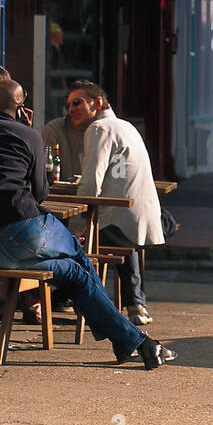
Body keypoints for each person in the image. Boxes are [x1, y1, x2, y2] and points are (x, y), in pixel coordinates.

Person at [0, 77, 176, 368]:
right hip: (24, 230)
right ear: (22, 108)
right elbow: (39, 193)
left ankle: (129, 340)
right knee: (77, 256)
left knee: (76, 270)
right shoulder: (29, 136)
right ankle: (130, 339)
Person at [66, 80, 165, 328]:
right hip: (140, 220)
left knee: (63, 238)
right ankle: (135, 303)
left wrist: (75, 228)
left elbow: (90, 185)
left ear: (97, 103)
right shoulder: (125, 126)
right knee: (113, 235)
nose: (71, 108)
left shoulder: (99, 128)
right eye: (68, 104)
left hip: (119, 223)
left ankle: (63, 300)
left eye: (77, 102)